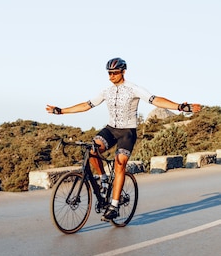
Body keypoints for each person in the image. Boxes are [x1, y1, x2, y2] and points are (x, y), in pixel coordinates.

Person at [46, 57, 202, 220]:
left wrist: (180, 106)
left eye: (114, 73)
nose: (111, 76)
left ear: (123, 72)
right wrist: (61, 111)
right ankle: (103, 178)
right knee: (92, 150)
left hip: (127, 132)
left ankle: (114, 206)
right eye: (109, 73)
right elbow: (87, 105)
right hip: (110, 129)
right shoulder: (107, 91)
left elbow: (155, 100)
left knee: (120, 165)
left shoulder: (133, 89)